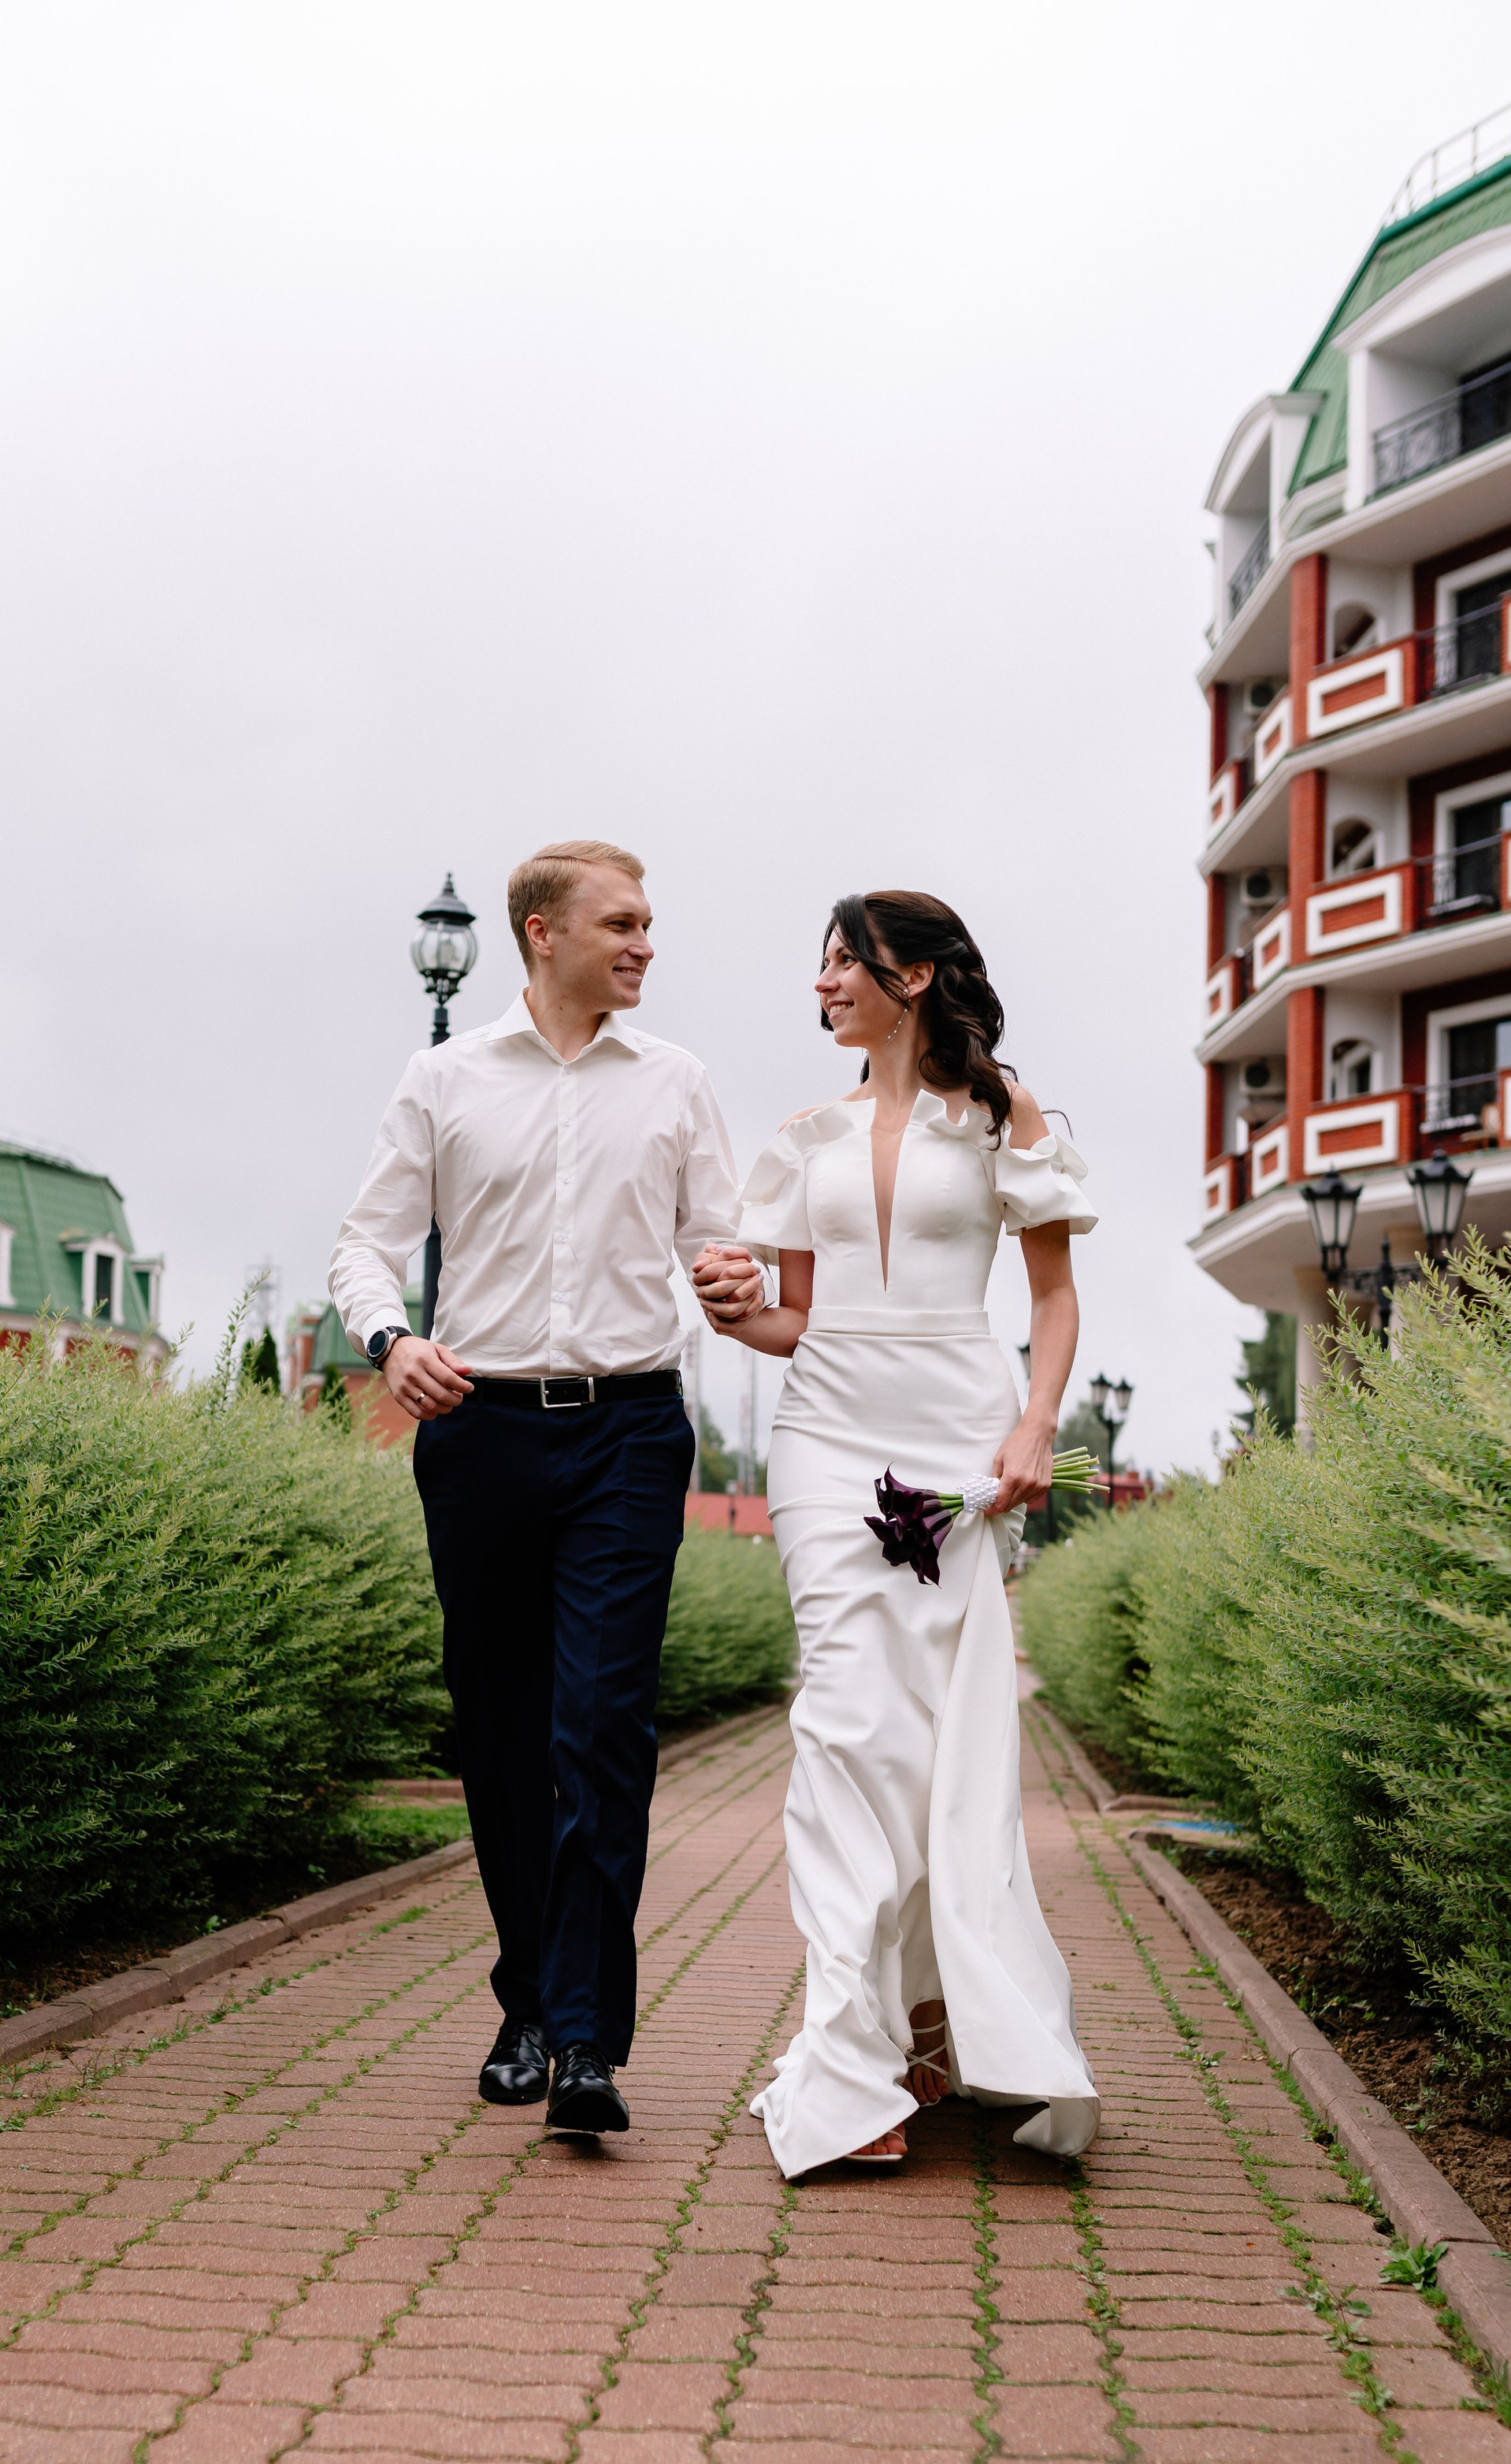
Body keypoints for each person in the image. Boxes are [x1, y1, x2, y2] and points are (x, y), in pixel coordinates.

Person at [329, 840, 763, 2137]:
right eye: (621, 924)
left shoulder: (677, 1083)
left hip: (630, 1430)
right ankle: (526, 1994)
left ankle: (583, 2039)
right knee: (506, 1731)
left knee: (604, 1729)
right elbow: (366, 1239)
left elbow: (717, 1247)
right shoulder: (444, 1079)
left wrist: (735, 1285)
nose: (643, 945)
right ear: (540, 934)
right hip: (479, 1430)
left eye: (648, 925)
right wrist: (390, 1341)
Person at [693, 889, 1099, 2175]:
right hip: (824, 1441)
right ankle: (851, 2060)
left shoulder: (1002, 1117)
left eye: (843, 963)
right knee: (847, 1722)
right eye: (818, 966)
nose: (822, 984)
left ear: (913, 976)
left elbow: (1054, 1297)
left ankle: (933, 2021)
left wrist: (1036, 1426)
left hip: (957, 1439)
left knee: (931, 1745)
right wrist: (730, 1307)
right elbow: (793, 1319)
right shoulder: (801, 1138)